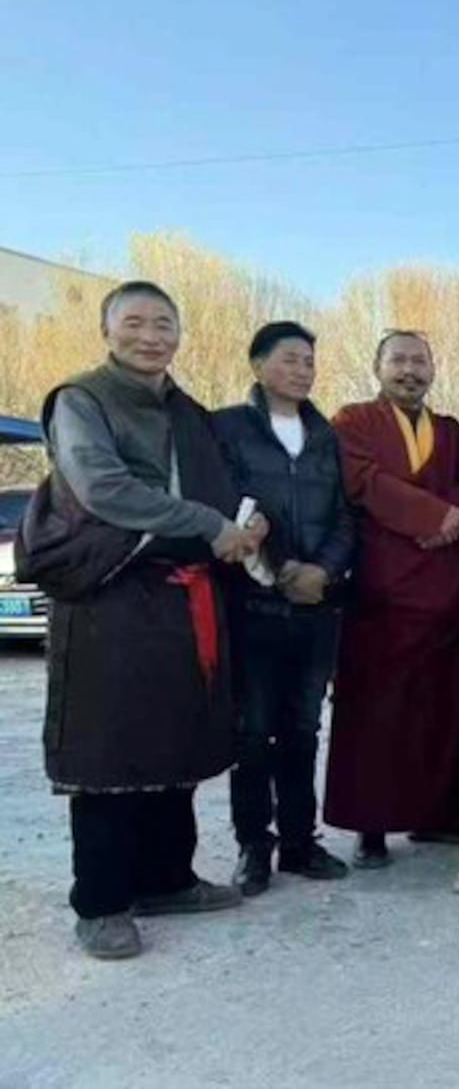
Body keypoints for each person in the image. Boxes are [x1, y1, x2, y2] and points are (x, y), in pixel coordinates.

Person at [38, 281, 266, 960]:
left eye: (163, 323)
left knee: (178, 738)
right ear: (108, 331)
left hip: (182, 592)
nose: (150, 336)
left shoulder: (187, 409)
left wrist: (249, 527)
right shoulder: (81, 399)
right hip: (110, 591)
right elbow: (101, 488)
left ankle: (167, 877)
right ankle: (102, 900)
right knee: (109, 748)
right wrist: (210, 523)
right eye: (134, 323)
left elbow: (222, 489)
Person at [325, 330, 459, 870]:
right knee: (377, 715)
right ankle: (371, 826)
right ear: (377, 367)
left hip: (446, 593)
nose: (410, 371)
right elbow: (361, 480)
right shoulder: (352, 423)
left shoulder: (449, 430)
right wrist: (429, 516)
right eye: (398, 360)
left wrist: (445, 517)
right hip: (384, 592)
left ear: (434, 368)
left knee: (443, 710)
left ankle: (438, 814)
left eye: (419, 361)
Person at [213, 321, 357, 895]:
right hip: (251, 602)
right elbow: (222, 503)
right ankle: (254, 845)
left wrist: (324, 570)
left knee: (302, 728)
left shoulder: (328, 436)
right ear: (257, 365)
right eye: (289, 359)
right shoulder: (226, 428)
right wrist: (277, 567)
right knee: (252, 731)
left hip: (317, 606)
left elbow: (347, 516)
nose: (301, 370)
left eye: (308, 361)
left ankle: (300, 841)